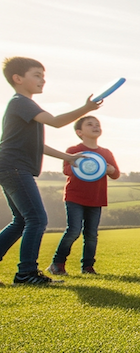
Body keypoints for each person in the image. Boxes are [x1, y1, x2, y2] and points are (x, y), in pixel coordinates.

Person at [0, 56, 101, 285]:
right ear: (18, 78)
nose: (42, 80)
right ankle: (26, 274)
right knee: (36, 218)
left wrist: (67, 157)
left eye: (43, 76)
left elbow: (36, 144)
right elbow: (55, 122)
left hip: (10, 167)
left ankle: (25, 272)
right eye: (36, 75)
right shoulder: (21, 102)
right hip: (15, 168)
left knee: (21, 221)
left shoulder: (23, 106)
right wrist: (87, 108)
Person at [47, 116, 120, 275]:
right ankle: (57, 264)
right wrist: (84, 166)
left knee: (91, 234)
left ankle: (87, 267)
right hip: (75, 197)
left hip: (96, 198)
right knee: (74, 230)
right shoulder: (73, 150)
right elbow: (66, 170)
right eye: (90, 124)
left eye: (97, 124)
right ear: (79, 132)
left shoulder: (105, 153)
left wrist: (109, 169)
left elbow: (116, 174)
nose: (95, 127)